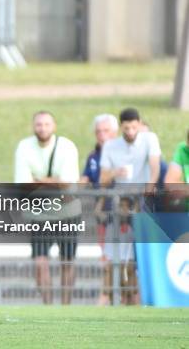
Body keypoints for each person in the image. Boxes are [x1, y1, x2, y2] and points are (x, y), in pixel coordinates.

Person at [14, 110, 80, 304]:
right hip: (39, 215)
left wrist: (39, 181)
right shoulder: (24, 147)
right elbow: (23, 185)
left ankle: (66, 306)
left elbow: (67, 184)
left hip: (68, 213)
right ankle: (48, 306)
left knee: (67, 261)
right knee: (40, 262)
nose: (42, 128)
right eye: (39, 124)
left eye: (46, 124)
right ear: (34, 126)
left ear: (54, 126)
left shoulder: (67, 147)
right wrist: (54, 182)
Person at [99, 108, 162, 305]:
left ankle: (136, 302)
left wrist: (148, 192)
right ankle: (111, 301)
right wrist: (116, 172)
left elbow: (154, 167)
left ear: (139, 124)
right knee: (115, 258)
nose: (131, 132)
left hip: (142, 207)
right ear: (121, 127)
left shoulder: (149, 139)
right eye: (126, 128)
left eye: (134, 127)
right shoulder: (110, 146)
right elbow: (103, 179)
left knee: (137, 260)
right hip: (120, 207)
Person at [79, 114, 119, 305]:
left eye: (106, 131)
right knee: (106, 258)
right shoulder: (93, 157)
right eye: (98, 132)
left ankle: (124, 297)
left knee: (128, 260)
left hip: (123, 213)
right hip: (103, 216)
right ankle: (107, 295)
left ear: (115, 132)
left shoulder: (123, 153)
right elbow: (85, 179)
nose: (102, 135)